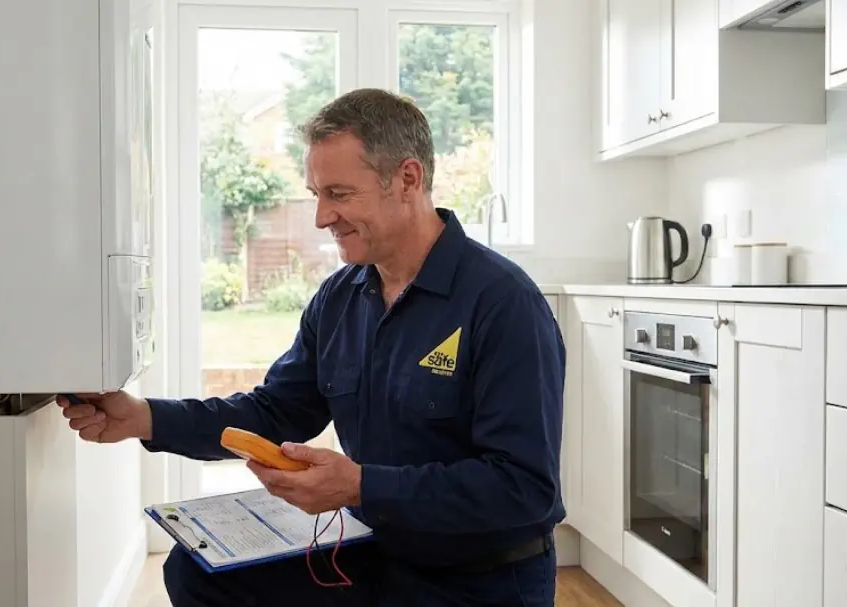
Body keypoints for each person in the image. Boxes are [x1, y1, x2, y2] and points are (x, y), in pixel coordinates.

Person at [59, 88, 567, 606]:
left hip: (480, 581)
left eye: (339, 194)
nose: (322, 217)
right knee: (197, 573)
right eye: (316, 194)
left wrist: (362, 487)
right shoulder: (341, 298)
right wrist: (142, 418)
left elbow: (524, 488)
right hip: (379, 552)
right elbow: (275, 411)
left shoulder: (504, 304)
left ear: (408, 180)